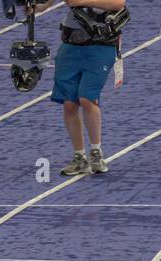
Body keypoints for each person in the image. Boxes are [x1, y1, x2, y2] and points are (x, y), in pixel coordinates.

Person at [45, 0, 130, 177]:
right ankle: (79, 157)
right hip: (71, 45)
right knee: (69, 103)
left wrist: (81, 1)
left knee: (87, 98)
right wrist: (35, 7)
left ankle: (96, 153)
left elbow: (118, 3)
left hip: (101, 46)